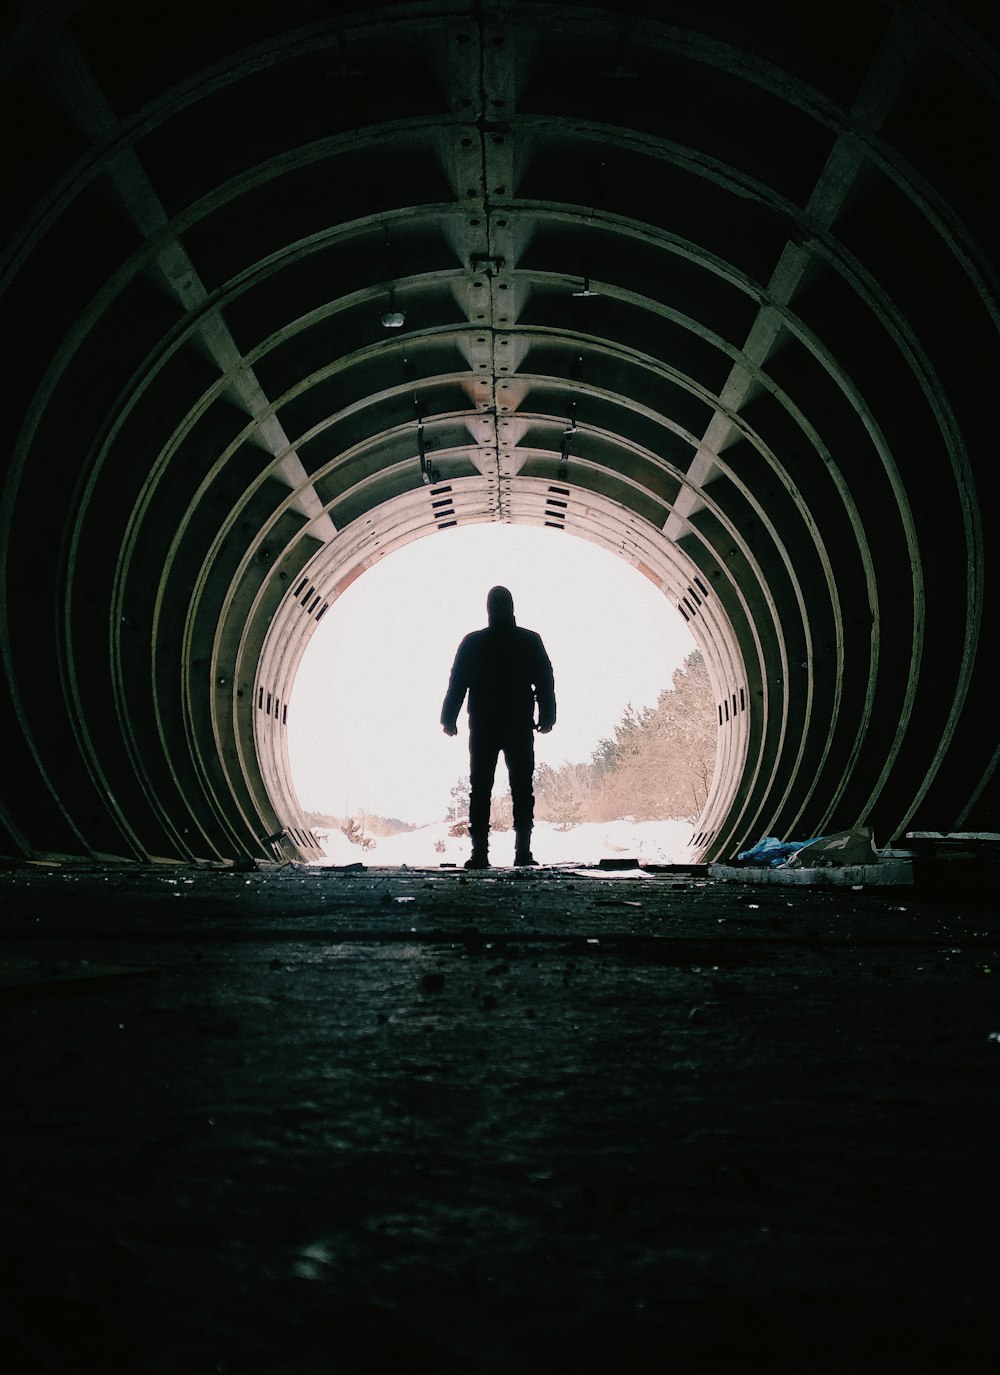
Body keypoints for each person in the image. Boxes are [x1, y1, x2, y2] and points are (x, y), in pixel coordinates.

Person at [441, 586, 556, 869]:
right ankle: (523, 853)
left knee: (480, 788)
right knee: (521, 788)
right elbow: (544, 679)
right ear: (512, 607)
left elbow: (458, 682)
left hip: (483, 725)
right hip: (518, 724)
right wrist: (548, 714)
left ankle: (480, 853)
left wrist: (449, 717)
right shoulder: (529, 641)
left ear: (488, 609)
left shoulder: (472, 642)